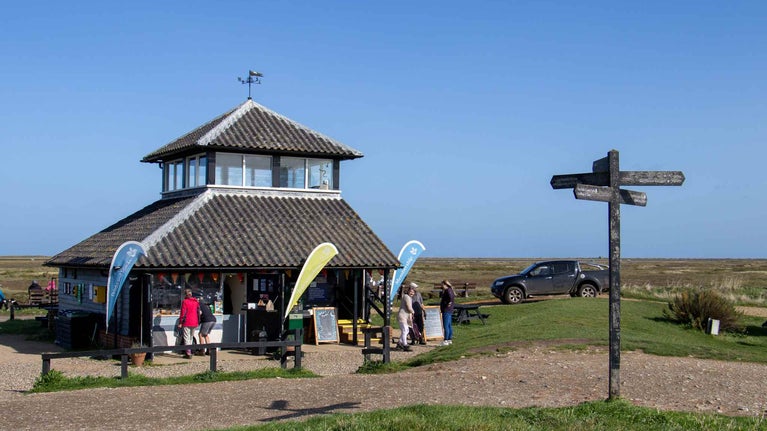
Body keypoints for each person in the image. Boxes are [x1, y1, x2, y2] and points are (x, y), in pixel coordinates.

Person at [177, 289, 200, 359]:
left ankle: (188, 353)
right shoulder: (196, 302)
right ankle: (190, 350)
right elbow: (198, 312)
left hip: (187, 321)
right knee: (191, 337)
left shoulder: (185, 302)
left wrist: (180, 322)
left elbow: (183, 313)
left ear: (185, 295)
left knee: (186, 337)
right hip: (195, 321)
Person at [396, 285, 415, 351]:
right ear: (408, 291)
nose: (412, 293)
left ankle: (399, 343)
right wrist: (413, 312)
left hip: (405, 316)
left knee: (406, 330)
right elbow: (409, 307)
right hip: (402, 316)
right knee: (405, 330)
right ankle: (405, 344)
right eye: (411, 291)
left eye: (413, 292)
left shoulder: (409, 298)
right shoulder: (406, 297)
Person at [440, 279, 455, 346]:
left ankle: (446, 340)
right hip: (450, 309)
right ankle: (449, 339)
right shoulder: (450, 290)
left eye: (442, 284)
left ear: (445, 284)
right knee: (449, 325)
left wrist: (448, 303)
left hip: (446, 310)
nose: (441, 286)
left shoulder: (447, 290)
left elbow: (450, 297)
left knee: (446, 325)